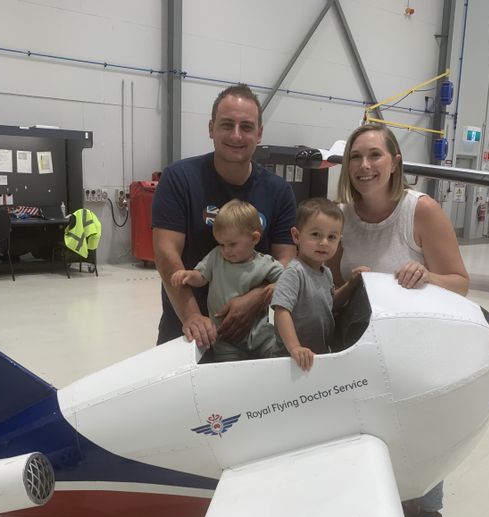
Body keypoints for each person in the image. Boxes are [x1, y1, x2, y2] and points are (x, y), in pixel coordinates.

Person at [330, 123, 470, 517]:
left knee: (420, 423)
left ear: (395, 163)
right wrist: (349, 284)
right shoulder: (341, 218)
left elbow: (461, 281)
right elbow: (331, 288)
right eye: (356, 157)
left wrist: (426, 276)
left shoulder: (420, 210)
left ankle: (430, 503)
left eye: (375, 155)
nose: (364, 165)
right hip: (360, 341)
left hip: (414, 344)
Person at [152, 84, 297, 350]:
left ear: (260, 133)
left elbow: (286, 262)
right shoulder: (179, 179)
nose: (236, 135)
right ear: (211, 128)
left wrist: (255, 299)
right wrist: (193, 316)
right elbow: (166, 253)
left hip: (248, 335)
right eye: (227, 125)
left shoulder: (279, 191)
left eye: (247, 127)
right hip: (184, 331)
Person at [170, 199, 284, 361]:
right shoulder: (216, 257)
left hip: (260, 333)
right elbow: (201, 277)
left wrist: (272, 289)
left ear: (254, 238)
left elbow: (287, 280)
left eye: (232, 244)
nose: (226, 250)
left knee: (276, 356)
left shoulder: (265, 264)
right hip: (225, 337)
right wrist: (188, 275)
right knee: (228, 369)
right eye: (222, 244)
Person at [271, 198, 367, 371]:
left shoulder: (326, 273)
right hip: (289, 360)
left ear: (340, 240)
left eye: (332, 237)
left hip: (318, 356)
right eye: (315, 234)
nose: (324, 242)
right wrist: (295, 348)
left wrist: (352, 283)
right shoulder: (295, 272)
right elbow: (281, 311)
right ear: (296, 236)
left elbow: (330, 303)